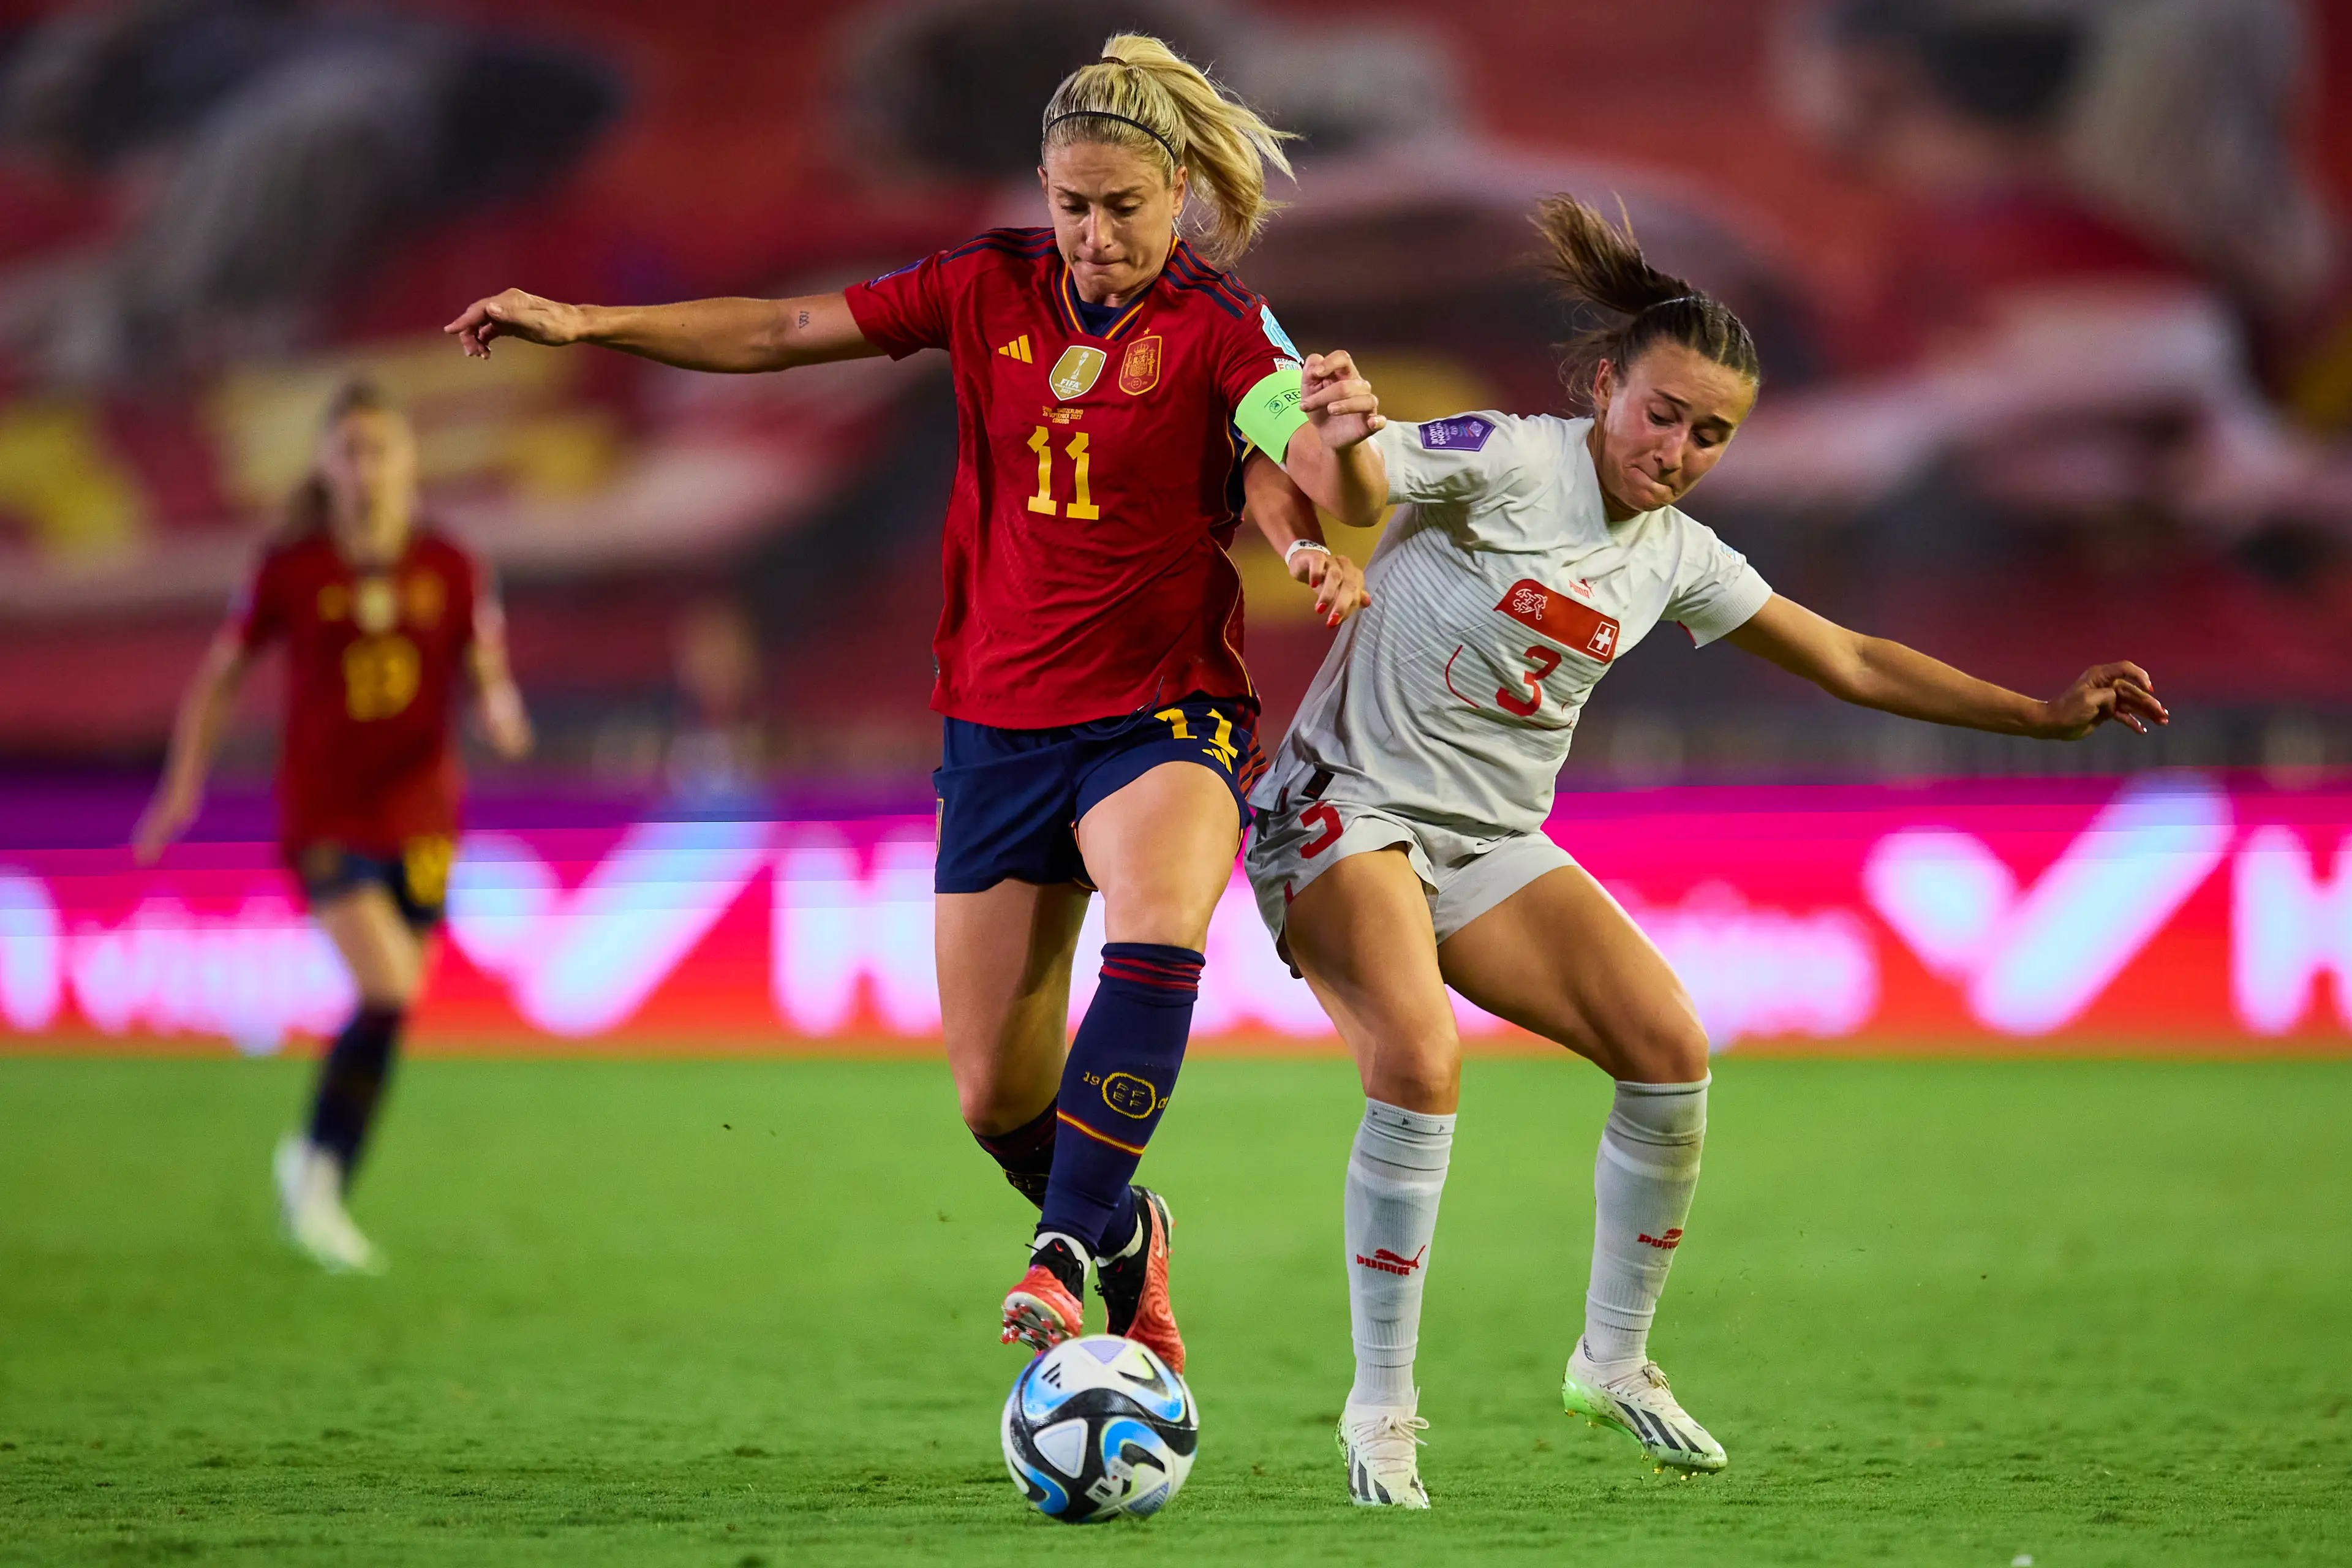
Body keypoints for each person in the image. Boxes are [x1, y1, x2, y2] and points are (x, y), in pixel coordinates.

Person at [443, 34, 1387, 1370]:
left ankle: (1062, 1256)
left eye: (1124, 207)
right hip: (999, 723)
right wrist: (590, 324)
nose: (1097, 232)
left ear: (1177, 192)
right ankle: (1124, 1235)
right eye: (1074, 204)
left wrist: (1343, 468)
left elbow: (1321, 467)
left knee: (1160, 920)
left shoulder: (1228, 323)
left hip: (1161, 706)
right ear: (1043, 191)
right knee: (994, 1092)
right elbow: (782, 331)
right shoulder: (982, 285)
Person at [1242, 194, 2166, 1507]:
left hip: (1489, 839)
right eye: (1661, 413)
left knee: (1671, 1050)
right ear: (1606, 386)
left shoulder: (1674, 556)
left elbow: (1844, 654)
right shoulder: (1508, 456)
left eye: (1711, 433)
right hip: (1342, 807)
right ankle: (1383, 1405)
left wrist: (2033, 711)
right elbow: (1362, 481)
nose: (1677, 449)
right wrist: (1337, 442)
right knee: (1420, 1058)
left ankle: (1613, 1359)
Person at [135, 382, 533, 1273]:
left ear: (408, 461)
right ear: (326, 465)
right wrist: (181, 785)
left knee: (391, 1007)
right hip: (325, 812)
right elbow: (220, 678)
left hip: (425, 811)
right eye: (349, 451)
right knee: (387, 988)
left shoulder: (453, 564)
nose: (366, 468)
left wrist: (502, 713)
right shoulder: (292, 568)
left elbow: (486, 664)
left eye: (380, 450)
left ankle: (316, 1172)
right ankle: (317, 1183)